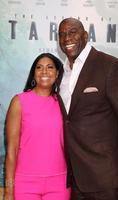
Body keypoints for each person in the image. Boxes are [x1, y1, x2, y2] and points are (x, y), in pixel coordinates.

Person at [58, 17, 118, 200]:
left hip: (106, 179)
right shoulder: (62, 73)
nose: (66, 38)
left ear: (85, 35)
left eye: (72, 32)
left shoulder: (110, 66)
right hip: (75, 179)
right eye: (61, 35)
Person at [4, 53, 71, 200]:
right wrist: (9, 190)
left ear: (57, 73)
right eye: (39, 67)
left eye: (50, 67)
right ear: (33, 74)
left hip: (59, 184)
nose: (44, 71)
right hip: (25, 184)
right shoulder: (19, 102)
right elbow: (11, 150)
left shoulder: (63, 104)